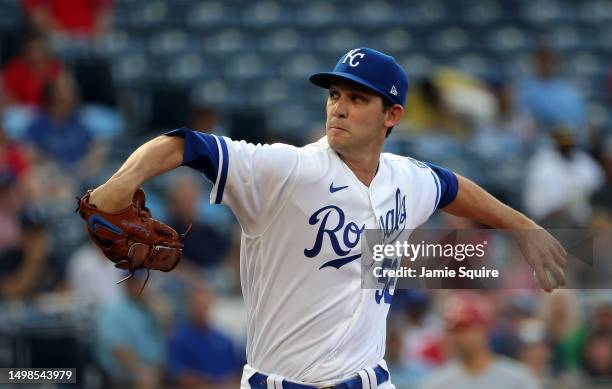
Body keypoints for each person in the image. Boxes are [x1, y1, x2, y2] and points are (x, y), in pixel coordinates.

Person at [85, 47, 566, 388]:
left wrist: (519, 225)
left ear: (392, 115)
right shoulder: (287, 169)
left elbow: (453, 188)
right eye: (335, 94)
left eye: (358, 99)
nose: (339, 107)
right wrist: (115, 189)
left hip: (371, 380)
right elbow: (184, 144)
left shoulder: (406, 178)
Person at [420, 292, 541, 389]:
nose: (460, 337)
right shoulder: (437, 383)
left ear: (484, 329)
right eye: (455, 331)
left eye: (466, 329)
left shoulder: (517, 378)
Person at [167, 285, 244, 387]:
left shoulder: (225, 340)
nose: (201, 310)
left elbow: (240, 369)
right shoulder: (178, 339)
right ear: (189, 307)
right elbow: (180, 375)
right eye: (197, 306)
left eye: (205, 306)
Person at [1, 30, 64, 107]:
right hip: (23, 111)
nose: (36, 53)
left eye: (39, 48)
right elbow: (8, 94)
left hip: (50, 110)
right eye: (32, 49)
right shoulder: (16, 67)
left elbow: (62, 92)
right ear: (25, 50)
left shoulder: (55, 66)